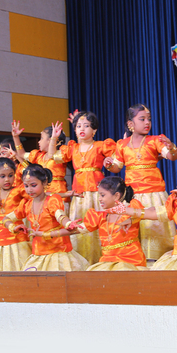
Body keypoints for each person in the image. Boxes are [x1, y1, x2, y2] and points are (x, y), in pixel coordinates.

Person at [104, 104, 177, 261]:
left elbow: (171, 156)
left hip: (154, 193)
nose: (147, 123)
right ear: (131, 124)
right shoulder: (122, 144)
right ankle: (136, 259)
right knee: (134, 229)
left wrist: (171, 147)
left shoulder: (155, 140)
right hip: (132, 195)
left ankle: (158, 260)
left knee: (155, 227)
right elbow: (117, 167)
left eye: (149, 119)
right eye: (142, 119)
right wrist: (109, 165)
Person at [48, 112, 116, 264]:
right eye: (78, 126)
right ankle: (81, 260)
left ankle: (103, 258)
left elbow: (117, 159)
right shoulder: (73, 147)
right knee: (79, 224)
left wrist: (110, 162)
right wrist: (54, 138)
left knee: (98, 223)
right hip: (79, 194)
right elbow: (52, 155)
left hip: (98, 193)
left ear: (94, 130)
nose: (82, 129)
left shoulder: (100, 145)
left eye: (86, 126)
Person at [2, 164, 87, 271]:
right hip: (38, 253)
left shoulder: (52, 201)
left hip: (58, 252)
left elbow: (60, 216)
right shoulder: (26, 205)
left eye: (33, 185)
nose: (29, 190)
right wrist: (13, 227)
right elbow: (6, 218)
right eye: (26, 186)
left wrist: (68, 223)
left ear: (44, 183)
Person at [77, 176, 148, 271]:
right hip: (107, 262)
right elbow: (79, 228)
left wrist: (132, 219)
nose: (99, 199)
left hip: (130, 261)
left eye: (102, 195)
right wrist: (66, 223)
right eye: (99, 196)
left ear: (116, 196)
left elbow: (147, 213)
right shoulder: (100, 217)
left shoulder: (131, 211)